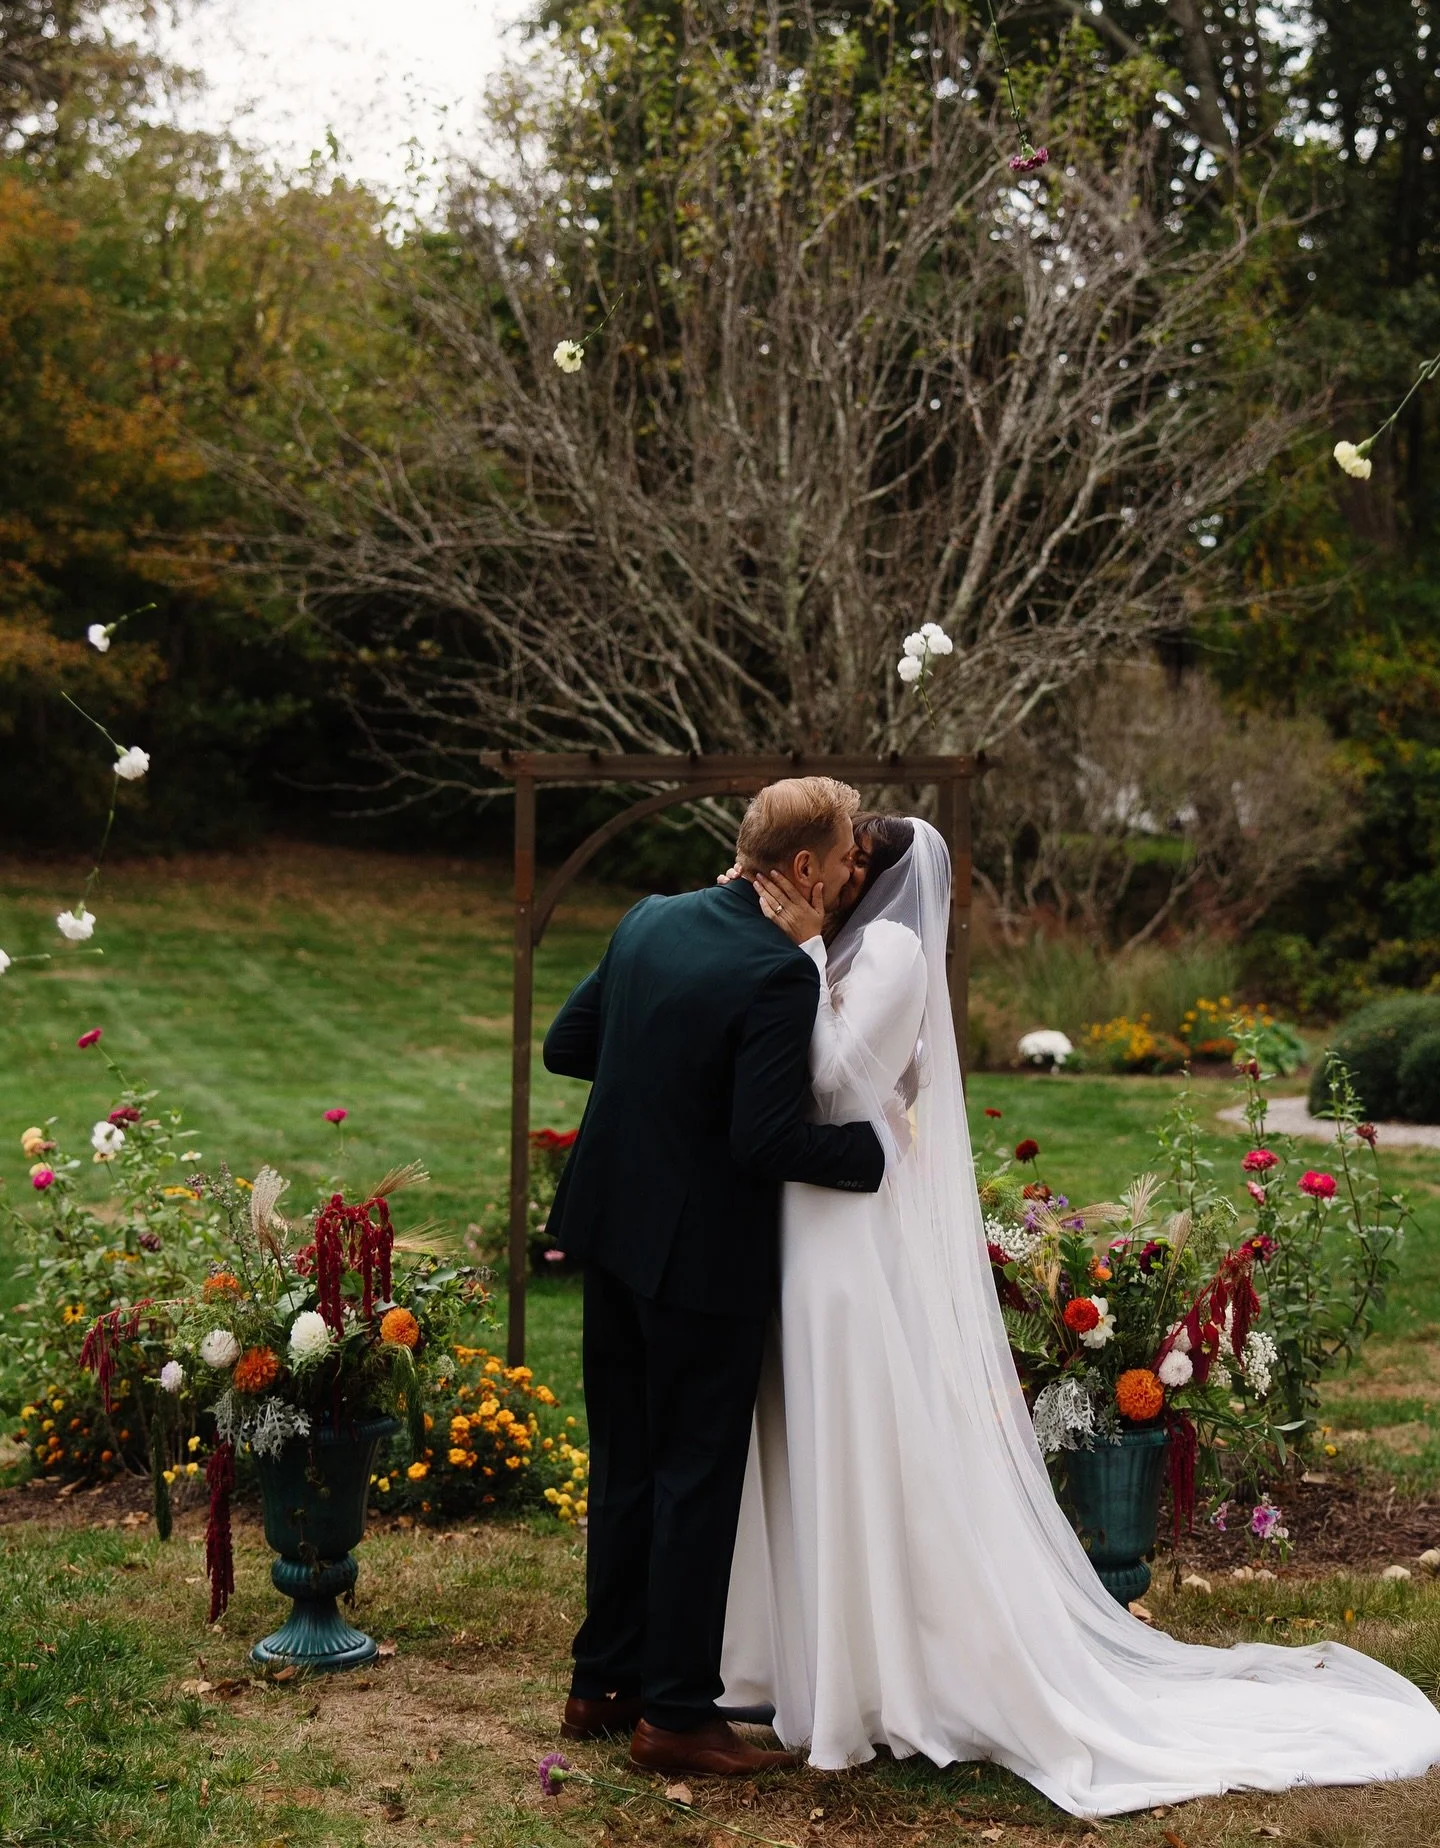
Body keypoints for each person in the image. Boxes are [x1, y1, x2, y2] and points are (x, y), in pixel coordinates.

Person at [721, 816, 1440, 1816]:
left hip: (839, 1214)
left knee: (857, 1429)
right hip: (813, 1212)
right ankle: (800, 1659)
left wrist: (799, 958)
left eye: (844, 860)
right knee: (820, 1431)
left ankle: (876, 1674)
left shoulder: (882, 948)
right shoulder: (848, 944)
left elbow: (840, 1082)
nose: (830, 872)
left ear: (865, 876)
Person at [541, 776, 887, 1780]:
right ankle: (678, 1716)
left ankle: (602, 1684)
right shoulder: (774, 973)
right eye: (845, 856)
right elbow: (766, 1138)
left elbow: (571, 1045)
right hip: (698, 1261)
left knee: (627, 1464)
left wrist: (663, 1067)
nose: (853, 872)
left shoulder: (651, 919)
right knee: (695, 1478)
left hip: (608, 1235)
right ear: (807, 867)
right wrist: (881, 1156)